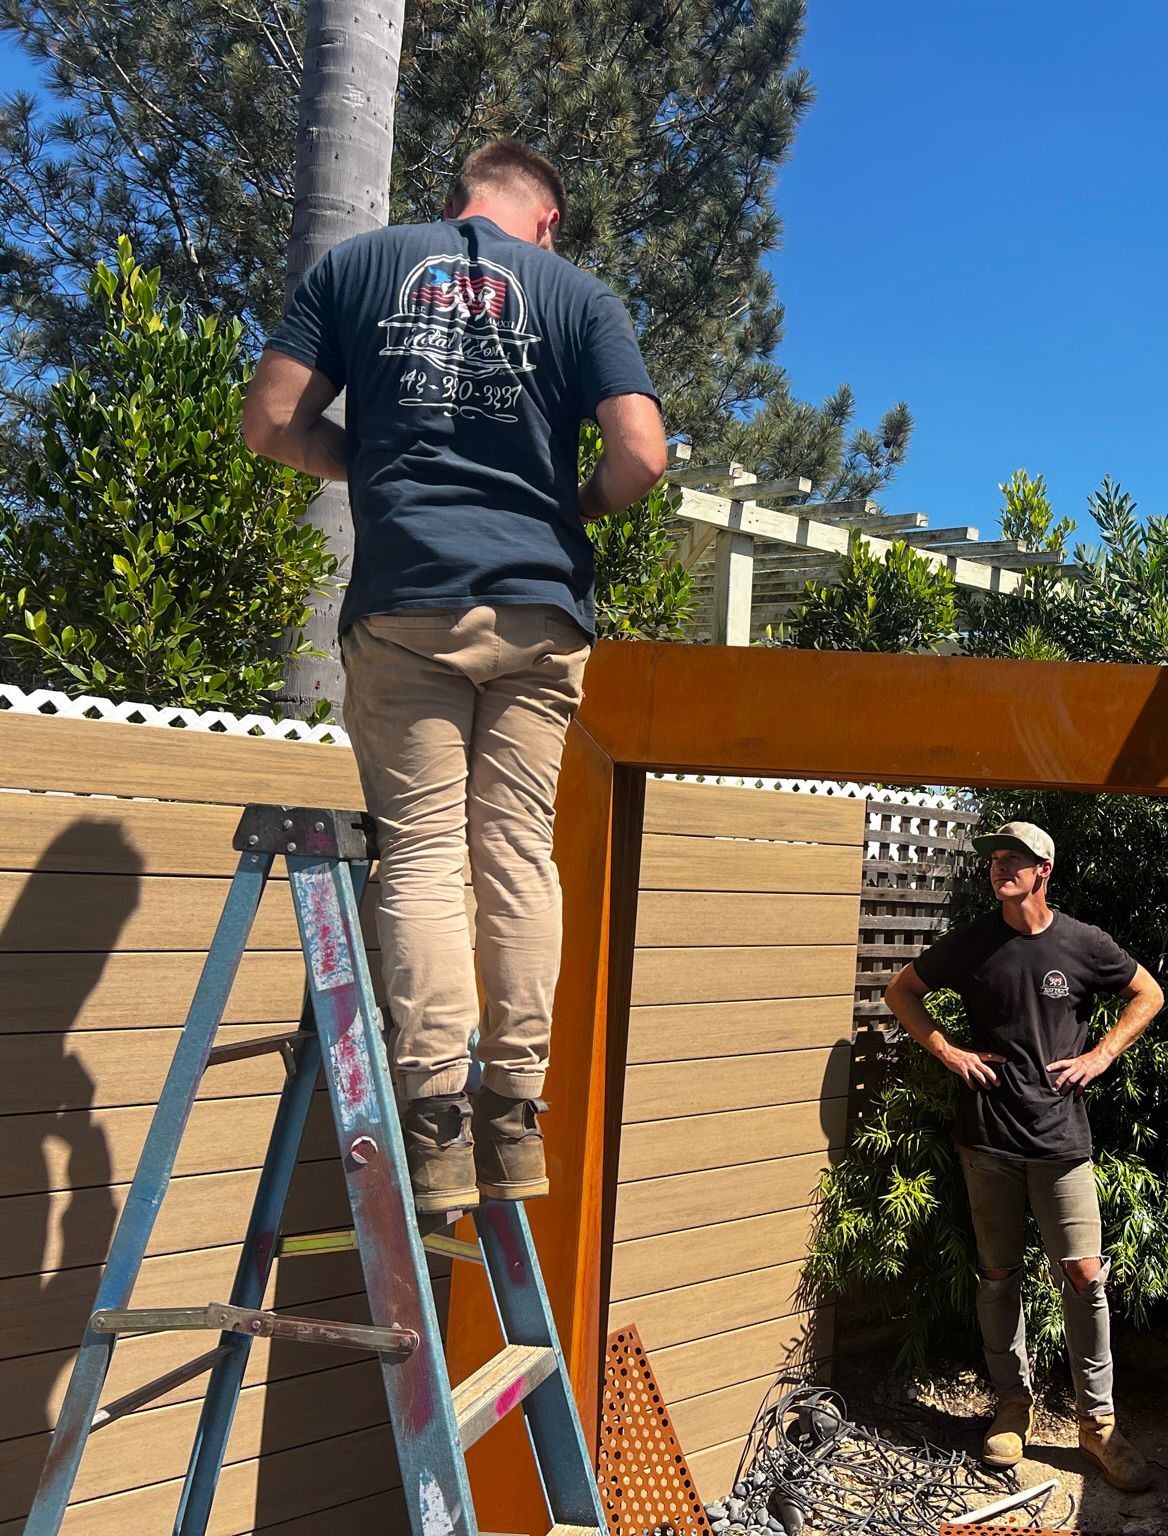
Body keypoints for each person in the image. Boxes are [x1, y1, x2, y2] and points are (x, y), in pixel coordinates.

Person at [241, 141, 667, 1212]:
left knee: (426, 853)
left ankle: (431, 1121)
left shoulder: (359, 267)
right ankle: (514, 1117)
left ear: (454, 202)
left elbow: (272, 423)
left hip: (407, 602)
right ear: (547, 221)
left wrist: (376, 466)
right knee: (516, 851)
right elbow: (643, 455)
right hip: (537, 612)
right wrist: (566, 508)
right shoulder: (579, 297)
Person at [883, 821, 1166, 1490]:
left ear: (1045, 870)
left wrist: (1101, 1055)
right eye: (994, 859)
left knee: (1085, 1274)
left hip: (1062, 1141)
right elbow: (902, 992)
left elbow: (1147, 994)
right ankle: (1012, 1407)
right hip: (987, 1139)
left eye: (1016, 859)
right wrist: (948, 1051)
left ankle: (1098, 1425)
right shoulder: (974, 943)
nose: (1000, 867)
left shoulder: (1082, 943)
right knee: (997, 1274)